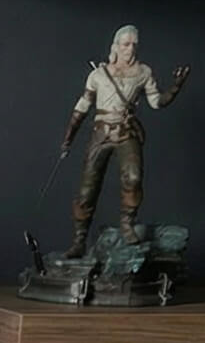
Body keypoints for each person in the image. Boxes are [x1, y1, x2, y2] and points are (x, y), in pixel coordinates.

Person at [61, 25, 190, 259]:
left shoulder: (143, 72)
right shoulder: (98, 75)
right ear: (116, 47)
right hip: (101, 133)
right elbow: (82, 107)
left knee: (133, 177)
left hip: (127, 131)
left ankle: (127, 224)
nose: (130, 48)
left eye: (133, 44)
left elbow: (157, 102)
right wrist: (68, 137)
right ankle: (79, 240)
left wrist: (176, 87)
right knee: (87, 189)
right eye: (125, 44)